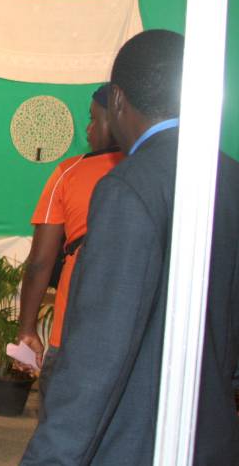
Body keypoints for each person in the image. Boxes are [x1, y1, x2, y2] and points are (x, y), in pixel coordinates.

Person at [21, 29, 239, 464]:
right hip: (210, 434)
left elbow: (98, 355)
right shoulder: (229, 176)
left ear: (118, 99)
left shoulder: (127, 187)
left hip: (137, 439)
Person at [14, 85, 122, 393]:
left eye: (93, 119)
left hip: (73, 329)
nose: (88, 129)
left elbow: (40, 262)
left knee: (62, 414)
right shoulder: (159, 171)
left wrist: (27, 329)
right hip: (137, 337)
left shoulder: (69, 172)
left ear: (118, 118)